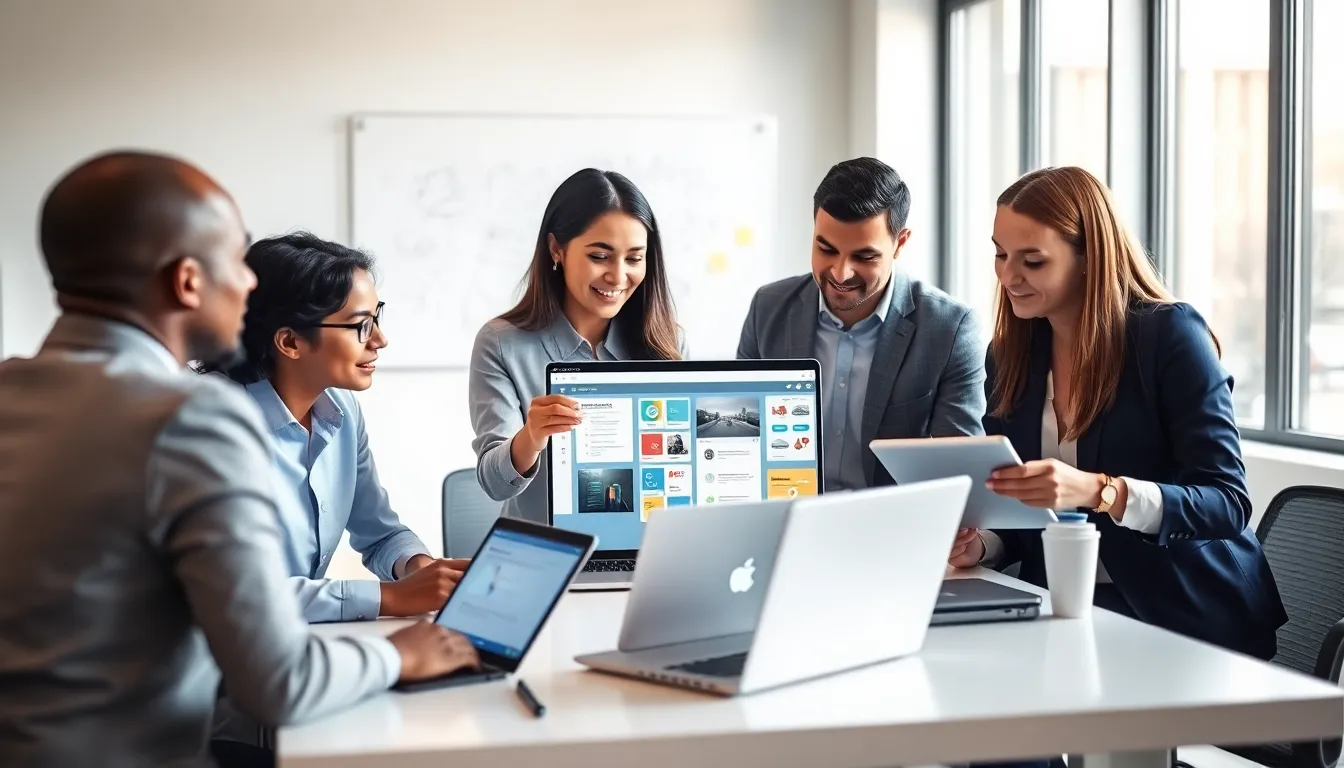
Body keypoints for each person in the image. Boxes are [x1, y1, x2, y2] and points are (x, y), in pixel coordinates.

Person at [0, 151, 479, 768]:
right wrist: (402, 652)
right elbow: (280, 680)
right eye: (235, 260)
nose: (249, 284)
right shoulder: (189, 417)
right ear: (188, 281)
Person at [949, 166, 1287, 661]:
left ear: (1089, 259)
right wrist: (986, 544)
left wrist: (1101, 490)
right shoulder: (1009, 356)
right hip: (1068, 613)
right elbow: (1026, 515)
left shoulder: (1169, 337)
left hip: (1184, 616)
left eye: (1033, 261)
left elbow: (1227, 502)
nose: (1008, 276)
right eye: (1000, 254)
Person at [202, 232, 464, 623]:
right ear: (290, 341)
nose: (380, 339)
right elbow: (238, 591)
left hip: (294, 647)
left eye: (378, 318)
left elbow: (381, 534)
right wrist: (388, 598)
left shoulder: (341, 410)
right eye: (361, 325)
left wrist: (421, 570)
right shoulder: (212, 425)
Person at [737, 157, 986, 491]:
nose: (841, 273)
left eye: (864, 257)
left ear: (900, 243)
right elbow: (742, 446)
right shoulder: (768, 309)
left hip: (891, 529)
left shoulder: (950, 329)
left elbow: (961, 472)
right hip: (784, 519)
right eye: (826, 249)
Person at [470, 168, 685, 522]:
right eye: (599, 256)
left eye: (633, 258)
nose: (618, 276)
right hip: (549, 555)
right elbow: (495, 484)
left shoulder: (670, 342)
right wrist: (532, 437)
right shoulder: (501, 343)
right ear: (557, 249)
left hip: (651, 551)